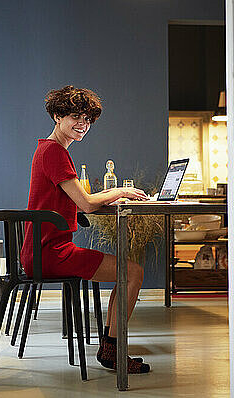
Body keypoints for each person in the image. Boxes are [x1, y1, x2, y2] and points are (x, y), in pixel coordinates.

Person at [20, 85, 151, 374]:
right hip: (50, 252)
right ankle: (112, 352)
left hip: (42, 250)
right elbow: (88, 204)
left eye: (88, 119)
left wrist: (91, 201)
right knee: (133, 273)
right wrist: (121, 191)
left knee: (128, 272)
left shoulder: (48, 148)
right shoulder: (54, 151)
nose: (83, 124)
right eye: (75, 117)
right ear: (57, 116)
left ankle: (111, 348)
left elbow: (75, 203)